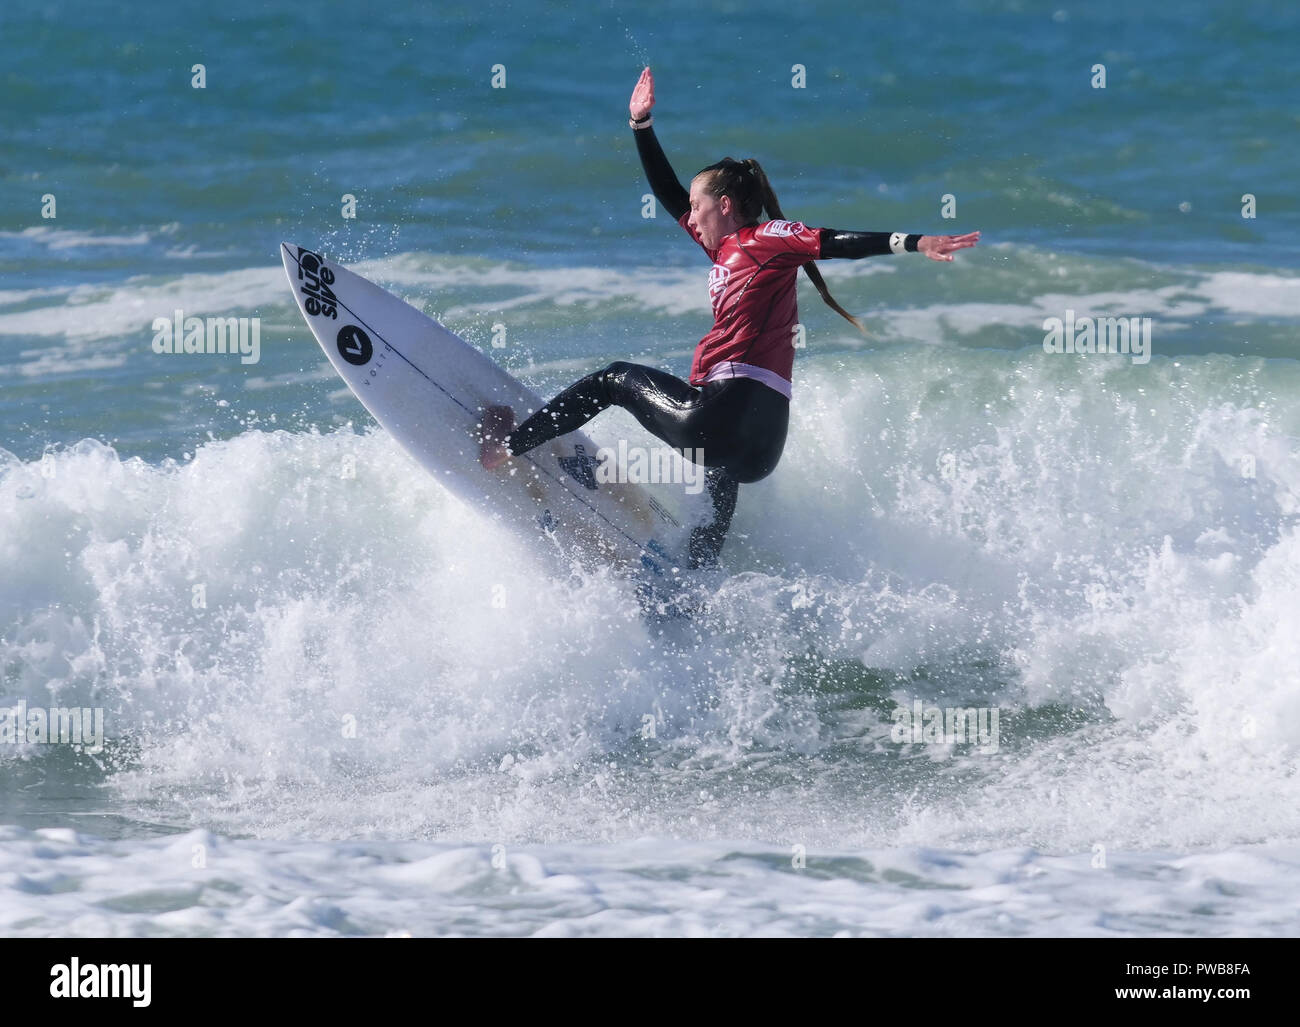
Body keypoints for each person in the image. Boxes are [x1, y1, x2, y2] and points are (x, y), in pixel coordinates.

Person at [480, 67, 979, 569]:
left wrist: (914, 242)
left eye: (698, 209)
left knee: (612, 380)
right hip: (760, 448)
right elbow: (670, 192)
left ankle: (508, 447)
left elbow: (833, 241)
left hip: (720, 417)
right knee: (719, 481)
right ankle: (694, 581)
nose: (690, 218)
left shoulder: (765, 239)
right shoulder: (726, 252)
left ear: (724, 205)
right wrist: (641, 125)